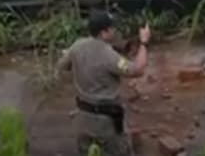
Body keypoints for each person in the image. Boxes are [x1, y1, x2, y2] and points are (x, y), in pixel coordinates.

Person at [56, 12, 151, 156]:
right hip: (106, 122)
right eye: (112, 28)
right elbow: (137, 70)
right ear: (104, 32)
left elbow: (62, 66)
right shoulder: (107, 55)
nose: (115, 30)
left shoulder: (77, 46)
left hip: (83, 118)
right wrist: (144, 42)